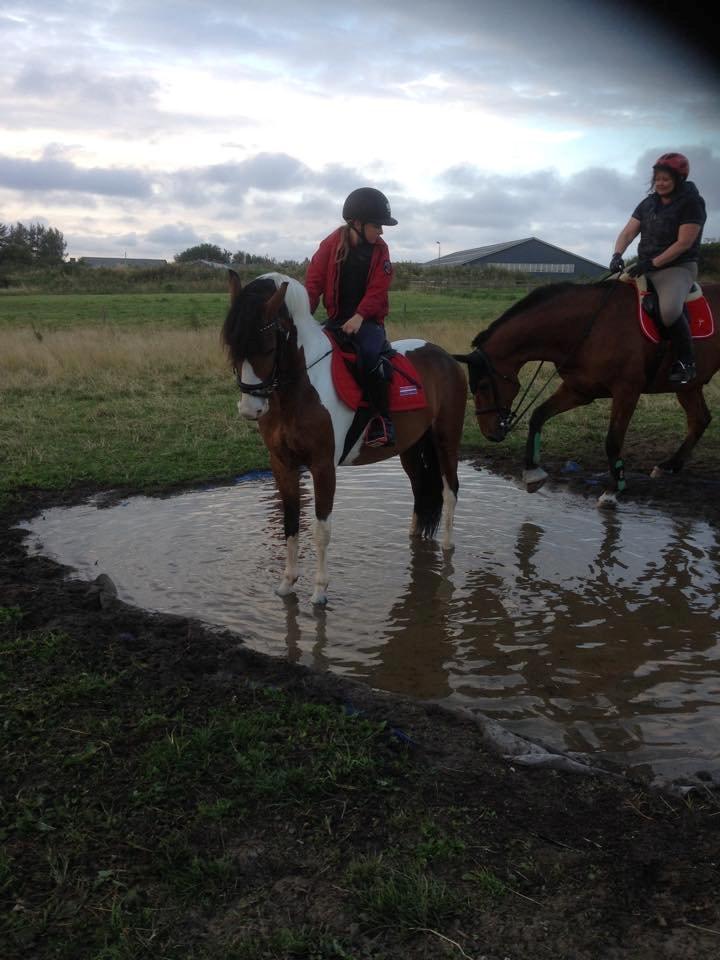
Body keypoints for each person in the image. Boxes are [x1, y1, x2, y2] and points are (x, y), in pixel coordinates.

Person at [305, 187, 397, 446]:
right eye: (377, 225)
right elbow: (313, 283)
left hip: (368, 323)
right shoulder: (330, 245)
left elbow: (378, 290)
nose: (381, 231)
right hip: (336, 321)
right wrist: (302, 316)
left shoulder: (381, 250)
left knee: (369, 357)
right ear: (357, 223)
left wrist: (359, 316)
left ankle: (382, 420)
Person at [609, 152, 707, 384]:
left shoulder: (692, 203)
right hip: (645, 265)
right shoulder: (648, 203)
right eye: (658, 178)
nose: (661, 183)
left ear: (679, 179)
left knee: (670, 310)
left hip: (677, 267)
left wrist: (652, 263)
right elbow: (628, 232)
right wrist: (617, 254)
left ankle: (686, 362)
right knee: (607, 294)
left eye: (666, 179)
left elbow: (684, 243)